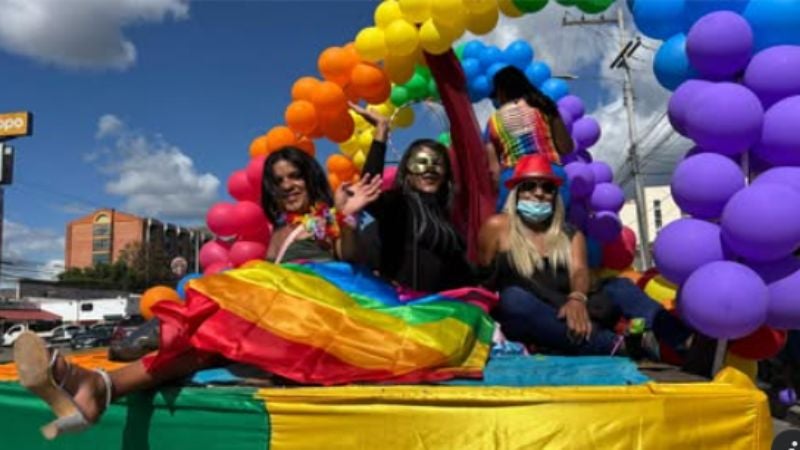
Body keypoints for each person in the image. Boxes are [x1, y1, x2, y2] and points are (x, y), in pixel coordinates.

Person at [14, 146, 494, 439]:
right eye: (278, 181)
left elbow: (353, 259)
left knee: (229, 298)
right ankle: (101, 388)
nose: (288, 186)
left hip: (331, 313)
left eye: (295, 177)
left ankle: (123, 359)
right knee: (208, 340)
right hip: (281, 317)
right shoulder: (277, 236)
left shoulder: (327, 218)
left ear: (310, 178)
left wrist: (346, 214)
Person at [479, 154, 692, 356]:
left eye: (547, 187)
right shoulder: (497, 227)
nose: (538, 192)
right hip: (531, 316)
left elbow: (579, 270)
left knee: (620, 287)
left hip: (574, 311)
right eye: (529, 186)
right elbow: (483, 280)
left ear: (555, 196)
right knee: (513, 300)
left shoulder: (569, 233)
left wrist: (577, 298)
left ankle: (685, 342)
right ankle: (617, 346)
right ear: (516, 193)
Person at [351, 104, 477, 293]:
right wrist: (381, 130)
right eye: (420, 162)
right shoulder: (398, 205)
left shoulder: (449, 225)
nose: (429, 169)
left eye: (437, 163)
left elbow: (465, 277)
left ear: (446, 175)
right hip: (399, 312)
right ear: (407, 172)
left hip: (438, 313)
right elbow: (368, 188)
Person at [485, 66, 574, 209]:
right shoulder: (544, 106)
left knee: (511, 229)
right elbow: (565, 148)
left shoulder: (492, 122)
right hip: (549, 175)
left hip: (514, 178)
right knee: (557, 228)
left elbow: (494, 172)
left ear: (501, 91)